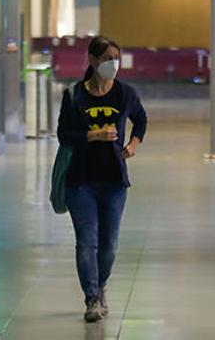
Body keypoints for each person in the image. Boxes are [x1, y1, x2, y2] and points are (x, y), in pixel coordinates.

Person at [57, 36, 148, 323]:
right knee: (87, 242)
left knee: (108, 246)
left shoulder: (125, 94)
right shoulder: (75, 95)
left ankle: (102, 283)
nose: (114, 64)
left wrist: (133, 143)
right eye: (108, 58)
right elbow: (63, 135)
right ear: (93, 61)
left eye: (116, 58)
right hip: (79, 181)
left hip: (113, 182)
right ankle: (92, 297)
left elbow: (141, 119)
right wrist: (92, 135)